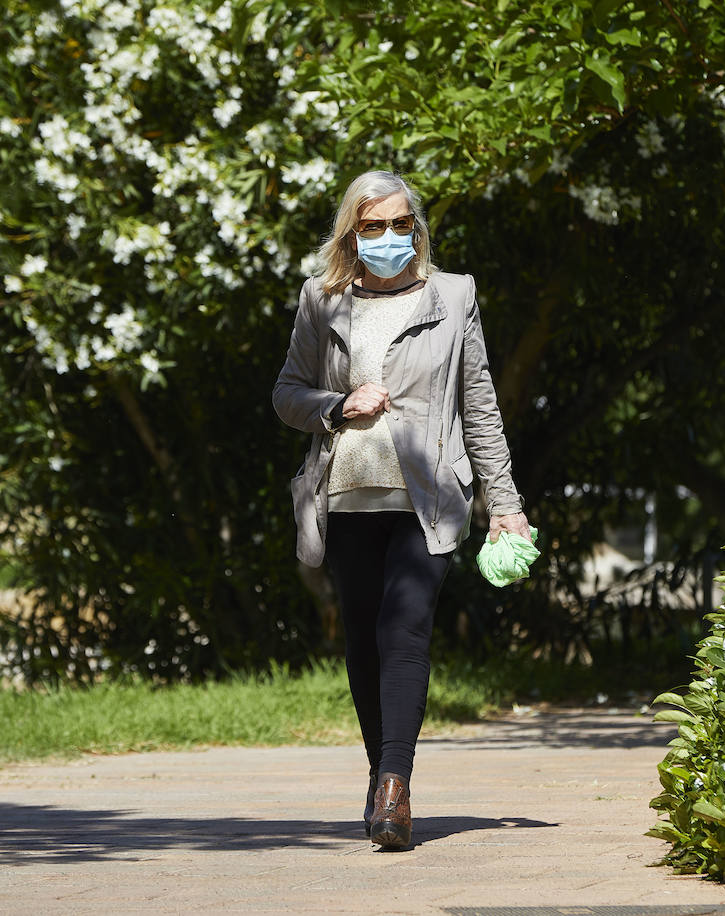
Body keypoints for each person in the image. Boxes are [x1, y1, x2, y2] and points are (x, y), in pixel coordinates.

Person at [272, 170, 530, 850]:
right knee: (363, 640)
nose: (387, 237)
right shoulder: (320, 299)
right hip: (347, 494)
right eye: (371, 226)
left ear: (416, 226)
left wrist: (504, 503)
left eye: (397, 224)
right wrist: (336, 405)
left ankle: (395, 785)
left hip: (429, 499)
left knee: (405, 630)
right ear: (350, 234)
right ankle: (383, 771)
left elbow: (479, 404)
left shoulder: (452, 295)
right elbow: (287, 393)